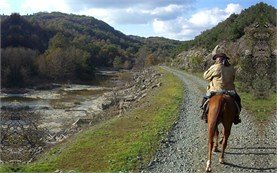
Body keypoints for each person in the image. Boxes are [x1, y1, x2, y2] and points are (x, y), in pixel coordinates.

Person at [201, 52, 241, 124]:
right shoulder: (232, 68)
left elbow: (205, 76)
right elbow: (233, 79)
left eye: (216, 58)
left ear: (218, 59)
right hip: (230, 91)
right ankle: (236, 117)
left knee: (205, 99)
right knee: (238, 100)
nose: (216, 60)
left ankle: (204, 114)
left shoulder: (215, 67)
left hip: (215, 90)